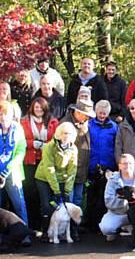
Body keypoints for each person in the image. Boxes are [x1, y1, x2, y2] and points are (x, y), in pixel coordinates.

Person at [0, 101, 31, 245]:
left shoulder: (18, 130)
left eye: (6, 114)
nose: (3, 117)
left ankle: (24, 233)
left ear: (12, 115)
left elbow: (21, 151)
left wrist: (9, 168)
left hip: (11, 174)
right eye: (0, 114)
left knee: (19, 204)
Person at [34, 122, 78, 241]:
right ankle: (45, 232)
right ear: (59, 133)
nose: (66, 136)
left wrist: (67, 190)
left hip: (62, 178)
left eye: (69, 134)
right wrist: (57, 191)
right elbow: (49, 169)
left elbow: (72, 170)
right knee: (47, 206)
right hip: (44, 177)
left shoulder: (73, 149)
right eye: (64, 133)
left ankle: (70, 232)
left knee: (68, 204)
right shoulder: (49, 146)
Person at [20, 97, 59, 230]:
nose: (38, 110)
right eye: (36, 107)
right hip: (29, 161)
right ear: (32, 108)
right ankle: (32, 223)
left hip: (45, 161)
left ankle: (46, 225)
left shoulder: (53, 122)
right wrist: (32, 143)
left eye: (41, 107)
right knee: (30, 192)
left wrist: (45, 145)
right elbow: (20, 140)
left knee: (46, 194)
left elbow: (56, 140)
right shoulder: (24, 121)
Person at [60, 99, 96, 241]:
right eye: (86, 114)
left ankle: (75, 227)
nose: (88, 118)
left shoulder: (84, 123)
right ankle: (67, 230)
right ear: (78, 112)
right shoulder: (66, 124)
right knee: (69, 201)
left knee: (78, 200)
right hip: (69, 170)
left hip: (82, 169)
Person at [87, 100, 119, 232]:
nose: (101, 115)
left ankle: (103, 222)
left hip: (108, 166)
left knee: (104, 196)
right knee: (91, 196)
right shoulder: (89, 124)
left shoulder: (114, 127)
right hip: (92, 164)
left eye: (104, 113)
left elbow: (117, 145)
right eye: (100, 112)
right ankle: (90, 224)